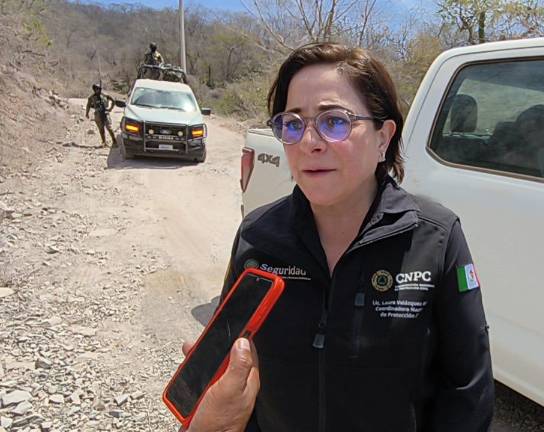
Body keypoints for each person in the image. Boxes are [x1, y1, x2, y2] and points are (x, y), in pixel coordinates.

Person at [182, 42, 494, 432]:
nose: (310, 142)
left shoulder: (436, 238)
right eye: (293, 124)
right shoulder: (258, 236)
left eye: (334, 121)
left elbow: (467, 390)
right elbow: (231, 372)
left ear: (383, 137)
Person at [85, 83, 116, 147]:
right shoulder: (91, 97)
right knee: (101, 129)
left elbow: (113, 100)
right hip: (98, 114)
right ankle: (104, 142)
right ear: (94, 89)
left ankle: (114, 141)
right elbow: (88, 105)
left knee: (109, 128)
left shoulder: (105, 95)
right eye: (97, 89)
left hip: (105, 113)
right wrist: (87, 113)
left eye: (99, 89)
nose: (98, 90)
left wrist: (110, 109)